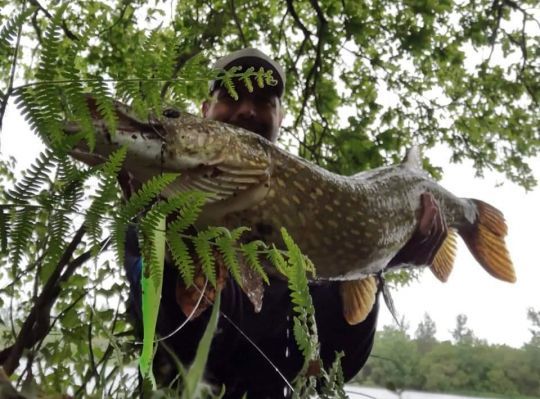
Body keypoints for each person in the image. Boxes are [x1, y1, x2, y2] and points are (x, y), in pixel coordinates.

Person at [124, 48, 447, 398]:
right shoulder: (158, 207)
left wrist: (377, 260)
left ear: (281, 118)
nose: (247, 109)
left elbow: (334, 365)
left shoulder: (312, 222)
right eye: (231, 95)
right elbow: (163, 339)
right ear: (204, 112)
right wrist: (177, 268)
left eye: (263, 100)